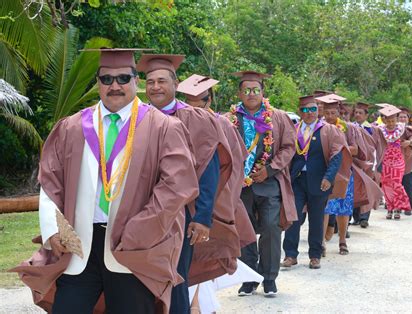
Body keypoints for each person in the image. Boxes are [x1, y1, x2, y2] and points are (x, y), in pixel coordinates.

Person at [11, 48, 199, 313]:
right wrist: (52, 229)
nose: (115, 85)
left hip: (132, 249)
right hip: (79, 247)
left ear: (137, 81)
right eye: (106, 79)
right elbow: (50, 182)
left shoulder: (163, 128)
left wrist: (138, 232)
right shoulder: (72, 127)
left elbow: (176, 186)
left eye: (123, 78)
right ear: (98, 83)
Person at [137, 54, 233, 313]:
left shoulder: (197, 119)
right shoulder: (136, 117)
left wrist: (202, 217)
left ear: (175, 84)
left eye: (161, 81)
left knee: (175, 278)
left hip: (181, 214)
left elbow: (209, 170)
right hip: (139, 214)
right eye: (150, 82)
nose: (155, 87)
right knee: (139, 280)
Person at [177, 74, 259, 313]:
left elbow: (233, 166)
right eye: (188, 100)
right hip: (178, 202)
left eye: (200, 100)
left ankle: (199, 306)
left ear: (210, 99)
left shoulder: (221, 124)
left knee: (205, 257)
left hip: (209, 202)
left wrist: (220, 203)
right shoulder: (171, 120)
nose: (194, 105)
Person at [227, 71, 297, 297]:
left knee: (270, 228)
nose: (251, 94)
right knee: (243, 232)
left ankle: (268, 278)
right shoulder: (230, 119)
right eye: (246, 90)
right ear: (239, 93)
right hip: (239, 185)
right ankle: (248, 278)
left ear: (262, 92)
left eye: (255, 90)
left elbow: (288, 147)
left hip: (268, 183)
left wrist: (269, 169)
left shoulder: (277, 117)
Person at [282, 95, 349, 270]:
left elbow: (336, 155)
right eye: (305, 110)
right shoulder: (293, 129)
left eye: (313, 109)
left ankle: (315, 255)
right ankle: (290, 254)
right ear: (300, 112)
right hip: (296, 180)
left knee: (317, 219)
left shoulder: (328, 130)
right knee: (293, 217)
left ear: (318, 111)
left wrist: (329, 177)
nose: (310, 113)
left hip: (320, 180)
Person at [318, 95, 382, 255]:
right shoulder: (319, 127)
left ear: (339, 113)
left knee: (343, 208)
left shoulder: (348, 128)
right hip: (324, 172)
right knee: (324, 207)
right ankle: (321, 243)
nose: (330, 117)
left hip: (345, 172)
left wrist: (339, 148)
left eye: (333, 113)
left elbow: (357, 149)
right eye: (327, 113)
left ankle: (342, 241)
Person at [374, 104, 412, 219]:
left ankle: (398, 208)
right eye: (389, 121)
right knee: (387, 185)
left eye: (393, 120)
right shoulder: (380, 129)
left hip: (398, 161)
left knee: (397, 184)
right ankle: (390, 208)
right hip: (385, 161)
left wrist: (409, 142)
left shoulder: (402, 129)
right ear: (385, 120)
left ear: (396, 119)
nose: (391, 123)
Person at [352, 102, 381, 228]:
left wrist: (375, 163)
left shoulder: (372, 129)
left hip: (369, 163)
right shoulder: (350, 127)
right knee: (354, 189)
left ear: (366, 115)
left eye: (360, 113)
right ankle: (356, 217)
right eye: (356, 112)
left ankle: (364, 217)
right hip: (354, 162)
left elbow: (377, 147)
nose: (357, 115)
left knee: (367, 188)